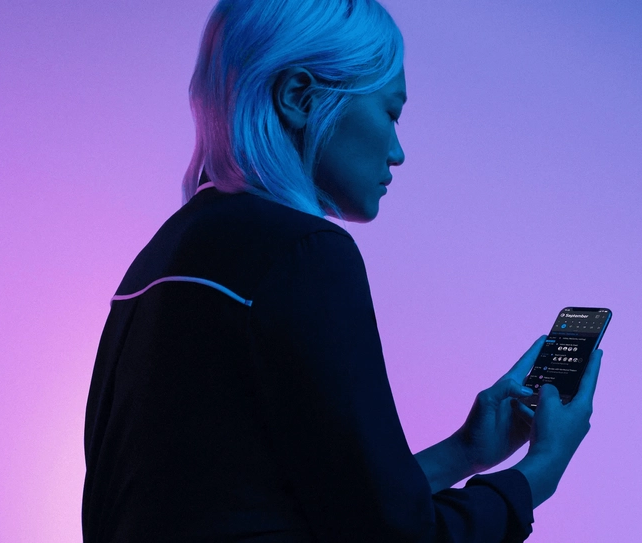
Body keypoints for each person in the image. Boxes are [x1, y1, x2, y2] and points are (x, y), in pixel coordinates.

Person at [82, 0, 601, 541]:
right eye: (391, 112)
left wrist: (464, 452)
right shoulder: (303, 253)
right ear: (300, 98)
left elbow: (290, 509)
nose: (397, 152)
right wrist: (540, 471)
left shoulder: (162, 255)